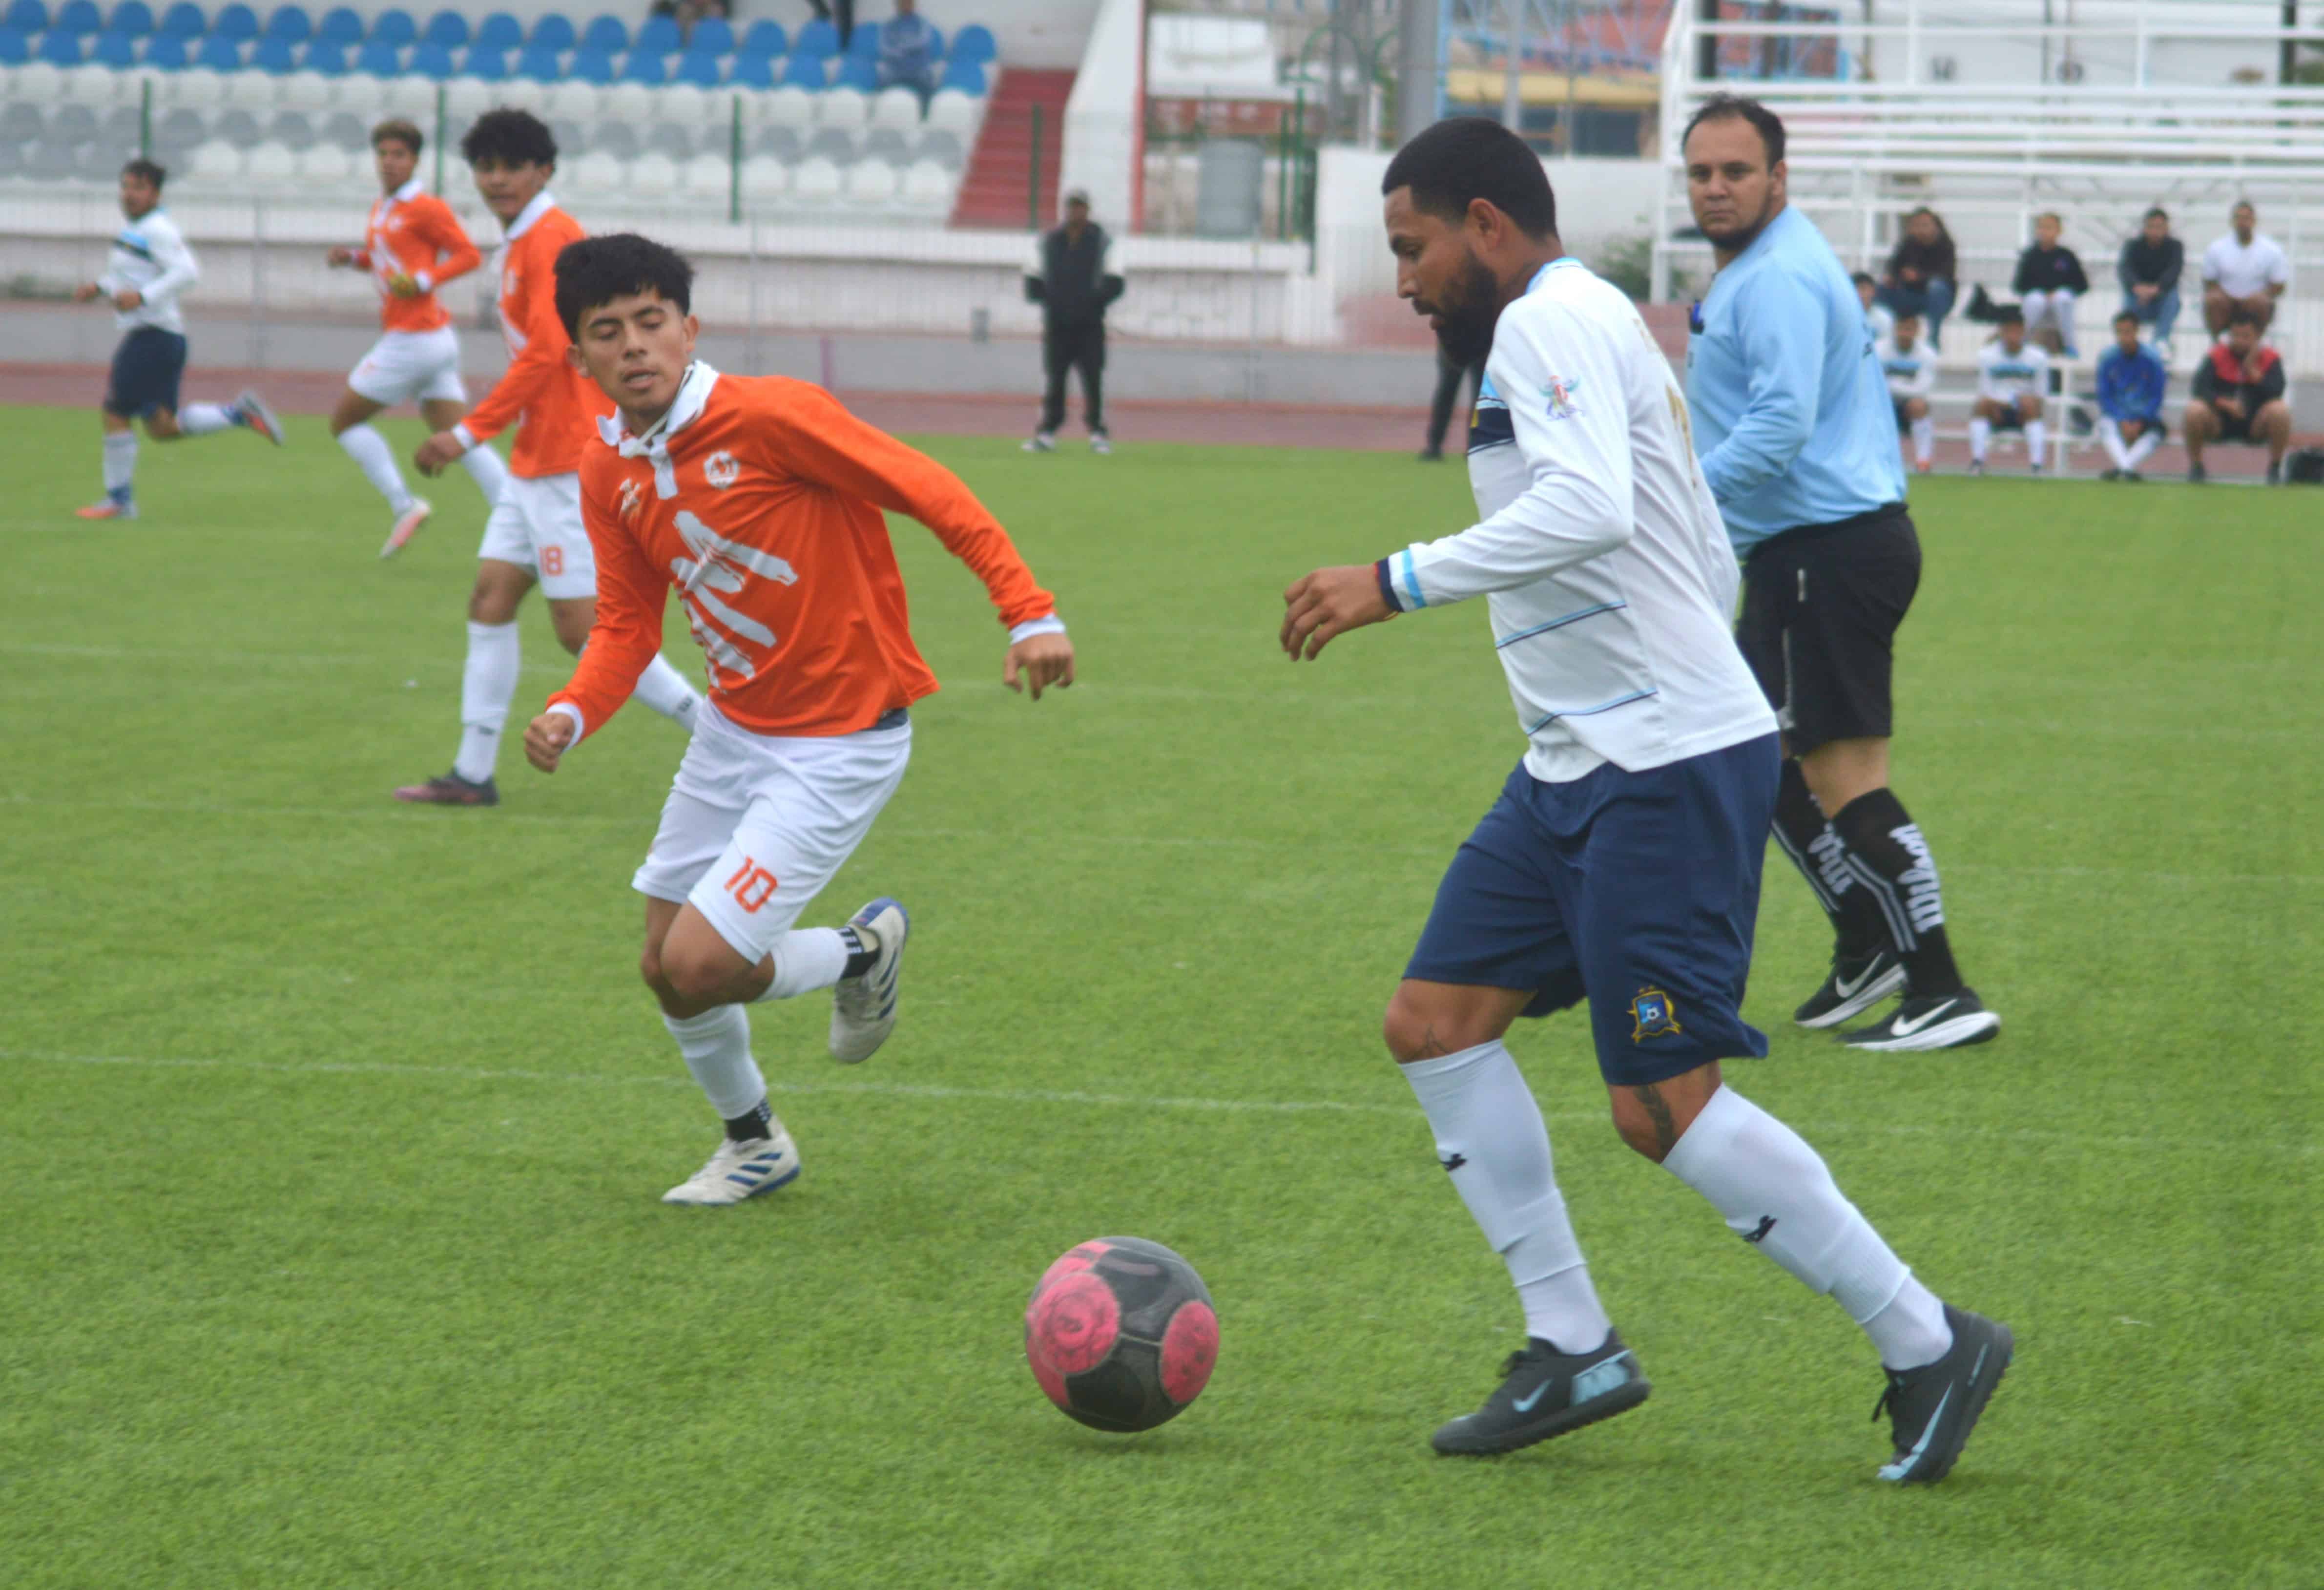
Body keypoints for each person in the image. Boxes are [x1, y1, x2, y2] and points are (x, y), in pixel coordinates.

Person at [1278, 115, 2010, 1483]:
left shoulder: (1552, 319)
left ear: (1487, 225)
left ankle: (1928, 1340)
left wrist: (1395, 578)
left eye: (1413, 247)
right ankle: (1573, 1344)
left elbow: (1594, 506)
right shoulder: (1559, 325)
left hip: (1664, 763)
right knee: (1435, 1024)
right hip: (1579, 761)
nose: (1405, 279)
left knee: (1661, 1102)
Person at [522, 233, 1076, 1205]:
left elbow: (926, 487)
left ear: (690, 327)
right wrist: (574, 708)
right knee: (662, 965)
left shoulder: (771, 415)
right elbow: (621, 625)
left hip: (839, 742)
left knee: (702, 961)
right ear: (580, 358)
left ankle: (863, 950)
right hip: (732, 734)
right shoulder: (604, 466)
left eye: (652, 321)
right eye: (607, 332)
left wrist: (1028, 609)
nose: (635, 346)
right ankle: (754, 1142)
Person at [1681, 93, 2000, 1051]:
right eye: (1700, 172)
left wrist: (1679, 499)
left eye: (1736, 172)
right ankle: (1867, 942)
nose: (1715, 189)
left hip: (1828, 548)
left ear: (1777, 178)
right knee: (1758, 756)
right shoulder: (1765, 263)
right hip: (1808, 550)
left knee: (1845, 777)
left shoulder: (1773, 277)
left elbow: (1778, 426)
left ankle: (1939, 985)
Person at [400, 109, 700, 807]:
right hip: (535, 462)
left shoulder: (552, 240)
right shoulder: (525, 240)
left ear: (544, 170)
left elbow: (544, 353)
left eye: (512, 165)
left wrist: (467, 432)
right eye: (486, 167)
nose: (497, 179)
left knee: (580, 632)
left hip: (570, 461)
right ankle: (473, 773)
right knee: (492, 597)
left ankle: (715, 727)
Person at [325, 119, 507, 559]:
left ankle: (405, 504)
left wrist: (425, 280)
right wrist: (354, 258)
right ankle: (516, 514)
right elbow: (388, 261)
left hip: (413, 339)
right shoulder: (383, 207)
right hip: (432, 339)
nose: (389, 162)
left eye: (399, 155)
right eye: (383, 154)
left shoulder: (425, 207)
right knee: (459, 436)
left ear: (415, 160)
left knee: (345, 423)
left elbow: (468, 255)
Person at [72, 159, 284, 521]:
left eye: (139, 188)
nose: (130, 194)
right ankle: (238, 414)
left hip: (152, 337)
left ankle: (120, 501)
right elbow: (127, 274)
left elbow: (187, 272)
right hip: (162, 339)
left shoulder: (158, 230)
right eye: (126, 186)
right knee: (162, 428)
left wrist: (143, 298)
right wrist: (101, 286)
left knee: (115, 413)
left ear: (155, 194)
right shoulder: (135, 229)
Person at [1023, 189, 1124, 455]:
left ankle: (1097, 432)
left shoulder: (1102, 242)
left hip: (1090, 326)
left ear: (1088, 210)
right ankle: (1047, 432)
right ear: (1065, 210)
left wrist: (1090, 303)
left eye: (1081, 208)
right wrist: (1055, 302)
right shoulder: (1050, 242)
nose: (1076, 213)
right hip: (1057, 326)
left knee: (1093, 379)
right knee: (1055, 379)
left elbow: (1116, 281)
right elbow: (1033, 279)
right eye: (1072, 207)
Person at [2184, 308, 2293, 485]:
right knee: (2194, 410)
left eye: (2246, 336)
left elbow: (2277, 391)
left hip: (2255, 423)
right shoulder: (2217, 355)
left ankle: (2275, 468)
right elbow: (2199, 388)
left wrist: (2255, 375)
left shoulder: (2270, 359)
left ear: (2257, 337)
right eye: (2236, 336)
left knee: (2280, 411)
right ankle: (2196, 467)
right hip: (2220, 421)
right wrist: (2224, 404)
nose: (2240, 341)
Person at [1968, 309, 2048, 477]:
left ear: (2024, 331)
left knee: (2031, 405)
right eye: (2008, 331)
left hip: (2025, 410)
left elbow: (2041, 394)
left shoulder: (2038, 357)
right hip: (1995, 409)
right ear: (2001, 332)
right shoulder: (1987, 355)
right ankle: (1978, 462)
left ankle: (2037, 466)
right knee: (1981, 406)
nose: (2013, 336)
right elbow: (1984, 390)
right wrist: (2003, 405)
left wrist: (2022, 404)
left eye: (2017, 331)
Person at [2094, 310, 2167, 481]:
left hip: (2144, 418)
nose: (2124, 337)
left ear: (2136, 332)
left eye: (2128, 332)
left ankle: (2122, 467)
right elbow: (2105, 396)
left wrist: (2141, 420)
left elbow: (2157, 395)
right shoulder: (2108, 359)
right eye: (2120, 332)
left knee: (2157, 432)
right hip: (2118, 416)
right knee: (2105, 425)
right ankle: (2127, 469)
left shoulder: (2152, 359)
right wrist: (2122, 419)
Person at [2200, 201, 2290, 336]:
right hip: (2226, 304)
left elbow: (2279, 285)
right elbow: (2209, 282)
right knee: (2213, 300)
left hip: (2256, 305)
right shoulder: (2217, 248)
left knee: (2261, 303)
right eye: (2238, 218)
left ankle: (2255, 348)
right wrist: (2226, 297)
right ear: (2232, 221)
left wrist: (2258, 296)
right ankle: (2218, 349)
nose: (2242, 222)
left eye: (2246, 218)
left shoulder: (2272, 250)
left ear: (2254, 221)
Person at [1876, 206, 1956, 350]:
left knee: (1937, 287)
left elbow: (1946, 275)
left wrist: (1919, 277)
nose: (1921, 229)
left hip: (1935, 298)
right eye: (1917, 225)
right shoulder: (1908, 244)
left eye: (1925, 225)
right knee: (1880, 289)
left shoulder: (1946, 246)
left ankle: (1933, 339)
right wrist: (1893, 278)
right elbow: (1893, 266)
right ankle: (1884, 338)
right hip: (1909, 294)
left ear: (1936, 226)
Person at [2013, 211, 2088, 357]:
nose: (2045, 232)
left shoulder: (2067, 256)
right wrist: (2042, 293)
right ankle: (2023, 341)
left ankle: (2070, 345)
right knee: (2036, 301)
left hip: (2059, 302)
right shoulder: (2030, 256)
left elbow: (2082, 285)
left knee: (2063, 299)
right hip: (2037, 301)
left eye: (2049, 228)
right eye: (2042, 227)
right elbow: (2019, 286)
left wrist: (2058, 292)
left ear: (2059, 231)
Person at [2116, 206, 2183, 348]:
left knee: (2173, 297)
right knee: (2128, 299)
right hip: (2138, 297)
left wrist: (2156, 289)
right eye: (2151, 226)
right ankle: (2128, 341)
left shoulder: (2175, 247)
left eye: (2159, 227)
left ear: (2166, 228)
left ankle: (2160, 343)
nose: (2155, 231)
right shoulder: (2133, 246)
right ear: (2145, 227)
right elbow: (2125, 270)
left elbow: (2174, 271)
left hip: (2162, 297)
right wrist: (2138, 288)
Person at [1879, 310, 1936, 474]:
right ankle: (1881, 462)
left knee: (1919, 406)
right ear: (1895, 329)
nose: (1905, 334)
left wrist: (1893, 385)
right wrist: (1902, 387)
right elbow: (1875, 386)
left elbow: (1922, 389)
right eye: (1901, 329)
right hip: (1886, 404)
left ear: (1917, 331)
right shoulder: (1879, 350)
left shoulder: (1928, 354)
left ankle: (1923, 461)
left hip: (1909, 405)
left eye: (1909, 329)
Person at [1420, 345, 1484, 461]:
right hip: (1460, 338)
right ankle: (1435, 445)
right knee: (1449, 390)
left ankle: (1435, 445)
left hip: (1460, 337)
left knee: (1451, 391)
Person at [875, 0, 937, 104]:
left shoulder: (922, 23)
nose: (906, 5)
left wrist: (901, 46)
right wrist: (903, 50)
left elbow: (922, 42)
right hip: (895, 71)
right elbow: (885, 48)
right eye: (902, 3)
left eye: (908, 2)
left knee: (927, 85)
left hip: (918, 71)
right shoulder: (890, 25)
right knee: (882, 87)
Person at [1852, 271, 1893, 341]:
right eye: (1855, 290)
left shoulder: (1884, 318)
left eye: (1863, 289)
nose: (1859, 294)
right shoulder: (1843, 317)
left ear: (1873, 291)